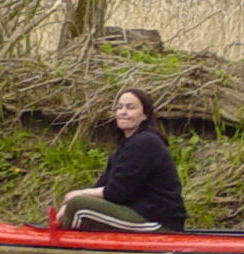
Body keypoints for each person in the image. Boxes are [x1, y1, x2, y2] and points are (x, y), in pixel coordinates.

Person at [57, 88, 187, 233]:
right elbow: (104, 183)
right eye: (119, 107)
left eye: (130, 107)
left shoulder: (145, 142)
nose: (123, 112)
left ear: (145, 115)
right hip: (137, 213)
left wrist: (79, 195)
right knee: (75, 203)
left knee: (79, 206)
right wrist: (69, 202)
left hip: (157, 220)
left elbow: (117, 193)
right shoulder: (126, 146)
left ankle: (58, 244)